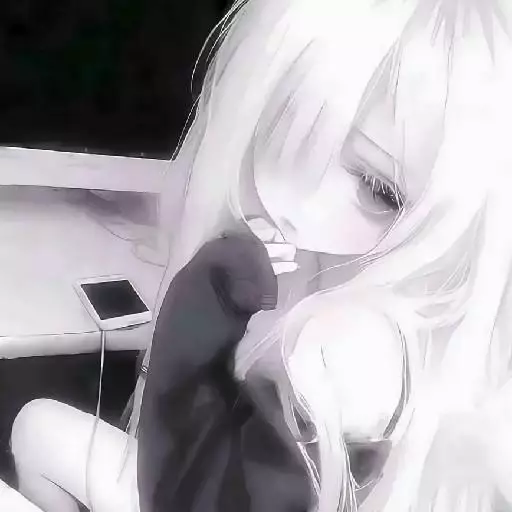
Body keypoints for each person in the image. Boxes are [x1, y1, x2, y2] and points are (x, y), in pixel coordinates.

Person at [9, 0, 512, 511]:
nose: (294, 199)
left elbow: (189, 482)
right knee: (38, 429)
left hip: (200, 493)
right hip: (204, 478)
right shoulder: (325, 286)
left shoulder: (345, 353)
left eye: (379, 188)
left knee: (39, 431)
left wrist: (205, 303)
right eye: (286, 123)